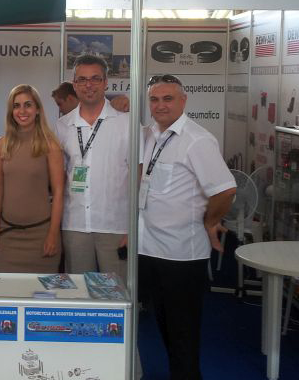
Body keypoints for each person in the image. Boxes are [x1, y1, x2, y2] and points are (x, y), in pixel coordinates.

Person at [139, 74, 236, 380]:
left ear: (183, 101)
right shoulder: (151, 134)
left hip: (182, 254)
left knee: (183, 333)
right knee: (165, 326)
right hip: (151, 248)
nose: (160, 105)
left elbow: (225, 190)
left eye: (168, 99)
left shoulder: (197, 140)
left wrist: (210, 221)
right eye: (154, 99)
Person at [54, 54, 130, 279]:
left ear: (106, 82)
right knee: (78, 292)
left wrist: (134, 227)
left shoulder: (126, 123)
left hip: (116, 226)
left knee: (118, 292)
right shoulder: (62, 126)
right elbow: (59, 178)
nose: (89, 85)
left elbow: (139, 177)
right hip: (75, 225)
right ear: (74, 84)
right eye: (82, 79)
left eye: (95, 78)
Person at [0, 84, 64, 273]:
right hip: (7, 235)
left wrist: (53, 234)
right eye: (16, 106)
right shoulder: (1, 145)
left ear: (37, 109)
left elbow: (59, 193)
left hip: (42, 236)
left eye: (28, 105)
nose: (22, 111)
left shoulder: (50, 145)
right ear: (11, 111)